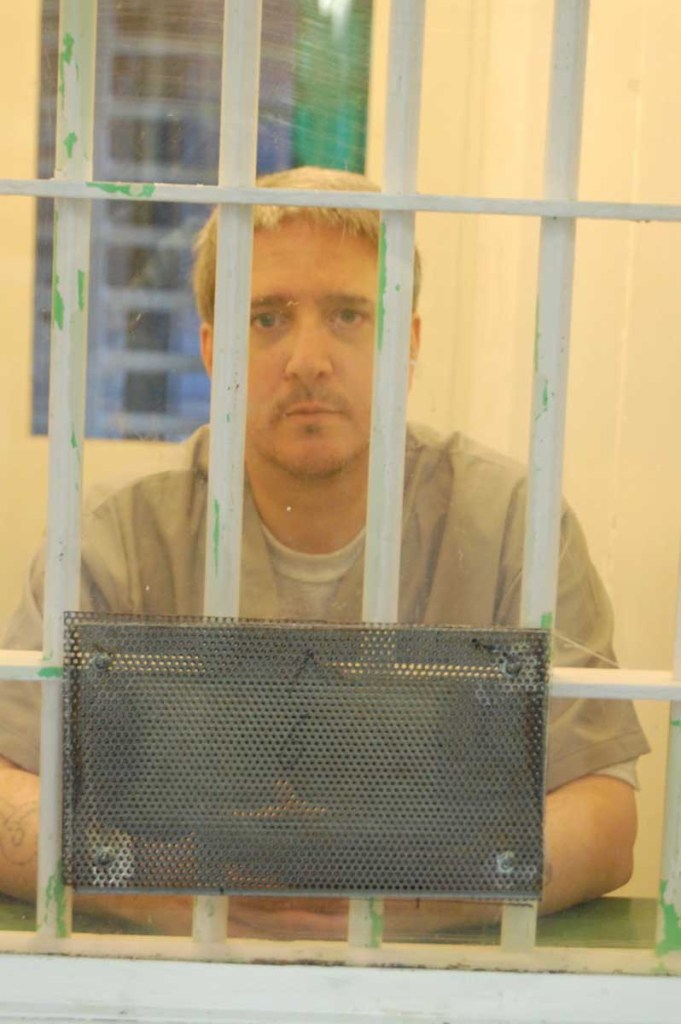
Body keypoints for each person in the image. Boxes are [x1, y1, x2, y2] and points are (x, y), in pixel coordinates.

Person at [0, 167, 649, 940]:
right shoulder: (114, 536)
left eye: (348, 315)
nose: (307, 359)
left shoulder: (513, 524)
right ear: (211, 350)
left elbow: (605, 814)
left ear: (408, 343)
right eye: (266, 319)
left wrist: (401, 908)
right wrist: (166, 898)